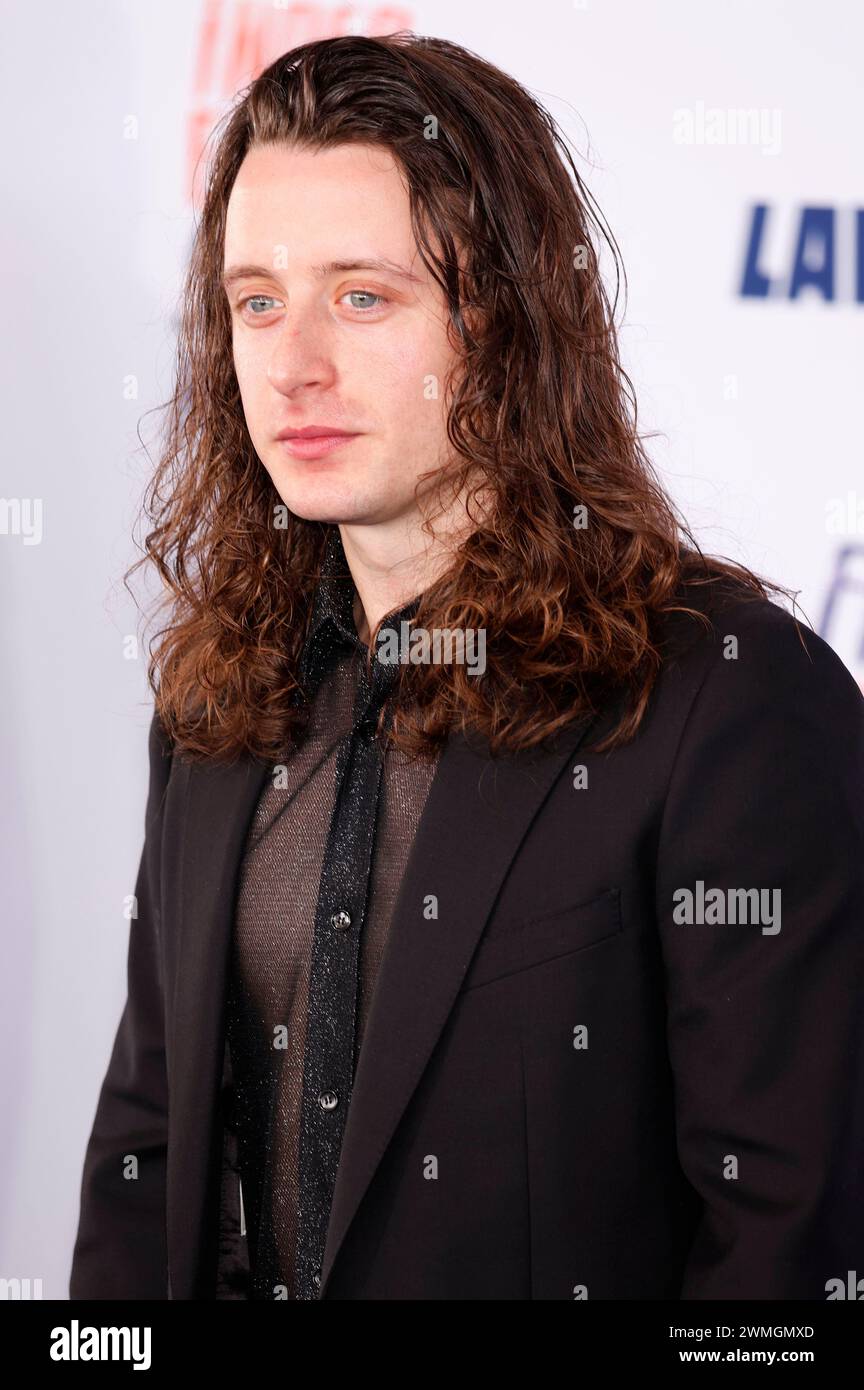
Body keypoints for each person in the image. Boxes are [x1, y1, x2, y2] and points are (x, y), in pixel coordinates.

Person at [70, 33, 864, 1301]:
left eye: (364, 296)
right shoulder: (217, 700)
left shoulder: (725, 694)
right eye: (257, 300)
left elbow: (789, 1243)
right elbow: (145, 1157)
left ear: (501, 317)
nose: (295, 365)